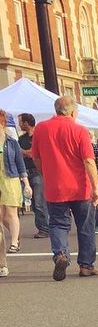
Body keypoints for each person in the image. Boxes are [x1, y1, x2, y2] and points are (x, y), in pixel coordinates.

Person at [30, 95, 98, 281]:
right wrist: (96, 187)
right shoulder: (79, 130)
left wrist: (46, 173)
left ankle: (60, 253)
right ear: (73, 111)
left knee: (58, 223)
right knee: (85, 225)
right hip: (80, 186)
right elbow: (88, 160)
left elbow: (36, 157)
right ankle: (86, 264)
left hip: (55, 185)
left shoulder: (41, 129)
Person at [0, 111, 31, 274]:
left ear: (3, 123)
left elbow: (20, 165)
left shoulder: (11, 142)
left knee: (11, 212)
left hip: (10, 179)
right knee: (2, 216)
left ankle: (13, 243)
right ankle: (15, 234)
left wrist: (26, 184)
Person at [17, 113, 49, 240]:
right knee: (35, 202)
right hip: (27, 172)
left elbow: (33, 153)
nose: (19, 124)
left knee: (40, 201)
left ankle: (45, 228)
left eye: (20, 122)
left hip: (37, 172)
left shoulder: (38, 136)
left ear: (26, 123)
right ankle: (42, 227)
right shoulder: (22, 139)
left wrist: (24, 152)